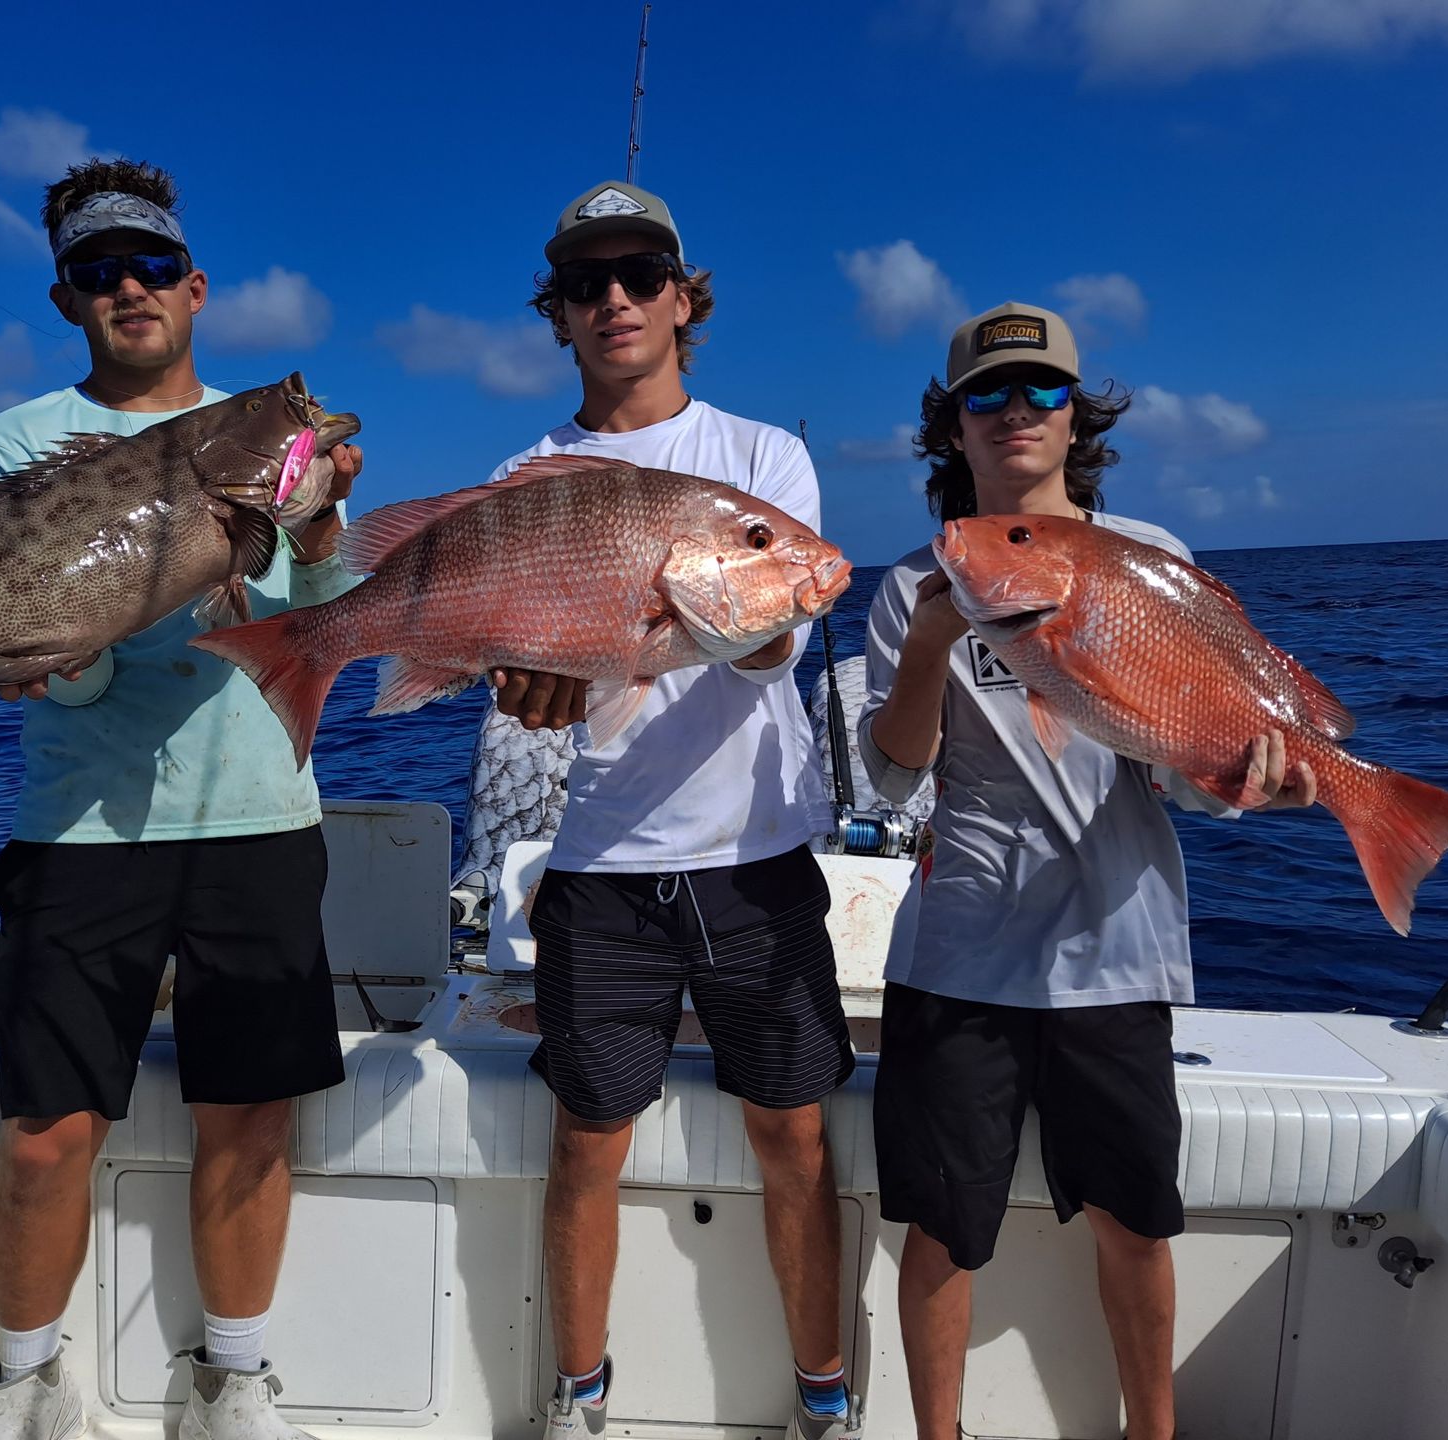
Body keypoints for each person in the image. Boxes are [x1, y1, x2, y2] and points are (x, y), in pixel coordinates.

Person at [857, 302, 1317, 1440]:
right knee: (944, 1228)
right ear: (952, 428)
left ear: (1076, 421)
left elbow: (1193, 769)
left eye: (1043, 392)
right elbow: (890, 780)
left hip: (1119, 950)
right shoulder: (915, 583)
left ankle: (1150, 1432)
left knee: (1136, 1222)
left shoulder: (1152, 560)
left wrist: (1262, 778)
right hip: (960, 955)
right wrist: (927, 645)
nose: (1016, 411)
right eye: (987, 396)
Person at [0, 158, 359, 1440]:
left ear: (195, 287)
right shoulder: (17, 443)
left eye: (148, 267)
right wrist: (59, 675)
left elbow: (306, 615)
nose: (127, 287)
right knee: (41, 1134)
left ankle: (231, 1378)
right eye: (97, 271)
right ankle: (26, 1386)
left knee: (248, 1120)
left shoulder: (274, 424)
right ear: (70, 298)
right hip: (81, 830)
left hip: (257, 816)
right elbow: (41, 659)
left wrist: (318, 527)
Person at [488, 180, 862, 1440]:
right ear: (559, 315)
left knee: (794, 1141)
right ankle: (579, 1397)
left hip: (756, 861)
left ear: (684, 299)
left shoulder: (761, 458)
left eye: (641, 275)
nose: (615, 301)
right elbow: (517, 667)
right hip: (600, 864)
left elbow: (775, 643)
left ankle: (825, 1397)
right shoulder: (529, 474)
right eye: (587, 284)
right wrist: (526, 680)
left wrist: (720, 620)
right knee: (590, 1140)